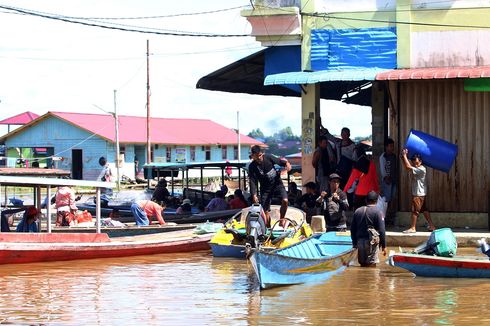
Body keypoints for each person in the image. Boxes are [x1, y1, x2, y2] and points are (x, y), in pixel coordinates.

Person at [248, 145, 291, 226]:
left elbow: (281, 162)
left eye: (260, 156)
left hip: (277, 184)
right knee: (265, 211)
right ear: (253, 156)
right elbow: (252, 181)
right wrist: (254, 194)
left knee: (285, 200)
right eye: (257, 157)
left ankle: (281, 220)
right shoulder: (252, 167)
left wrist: (287, 164)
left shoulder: (269, 157)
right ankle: (268, 227)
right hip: (265, 188)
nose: (259, 158)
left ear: (262, 154)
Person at [401, 149, 436, 233]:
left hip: (418, 194)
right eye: (413, 162)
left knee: (415, 211)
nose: (415, 164)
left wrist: (404, 156)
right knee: (424, 210)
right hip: (421, 193)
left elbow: (408, 167)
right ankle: (431, 226)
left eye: (417, 162)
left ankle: (413, 228)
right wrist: (403, 157)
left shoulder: (421, 169)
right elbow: (408, 166)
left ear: (420, 162)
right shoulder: (417, 168)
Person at [350, 191, 386, 267]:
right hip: (372, 243)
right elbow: (382, 230)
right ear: (376, 201)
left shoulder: (358, 211)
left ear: (366, 200)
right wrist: (384, 246)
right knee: (372, 266)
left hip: (360, 242)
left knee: (362, 265)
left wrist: (355, 243)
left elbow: (352, 229)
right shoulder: (378, 212)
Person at [343, 145, 380, 210]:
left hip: (359, 193)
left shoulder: (357, 166)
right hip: (370, 193)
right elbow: (375, 179)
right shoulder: (372, 164)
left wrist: (344, 190)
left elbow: (351, 181)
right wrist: (377, 190)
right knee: (370, 212)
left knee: (359, 213)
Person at [320, 124, 356, 189]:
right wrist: (321, 125)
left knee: (347, 187)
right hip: (339, 169)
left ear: (349, 135)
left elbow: (354, 159)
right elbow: (329, 136)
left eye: (346, 134)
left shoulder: (353, 146)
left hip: (348, 170)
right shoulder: (338, 142)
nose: (344, 136)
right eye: (343, 134)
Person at [379, 138, 397, 223]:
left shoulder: (393, 156)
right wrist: (386, 177)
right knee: (386, 199)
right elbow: (382, 169)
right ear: (386, 147)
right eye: (390, 146)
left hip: (393, 180)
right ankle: (384, 217)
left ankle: (388, 216)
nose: (392, 148)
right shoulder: (383, 157)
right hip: (387, 181)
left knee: (391, 198)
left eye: (392, 146)